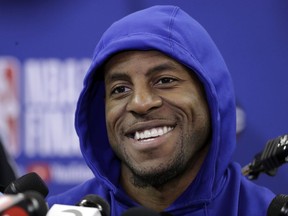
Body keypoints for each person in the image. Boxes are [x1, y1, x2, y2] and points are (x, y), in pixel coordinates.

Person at [47, 5, 275, 215]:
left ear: (211, 97)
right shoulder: (56, 212)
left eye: (165, 80)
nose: (140, 102)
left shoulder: (266, 212)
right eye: (120, 89)